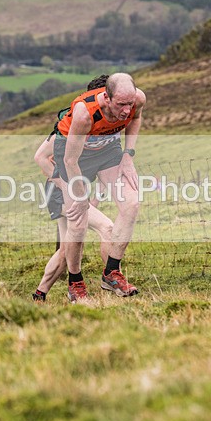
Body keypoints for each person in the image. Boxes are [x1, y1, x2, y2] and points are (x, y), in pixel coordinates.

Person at [54, 72, 146, 301]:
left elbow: (135, 119)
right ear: (106, 98)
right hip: (74, 156)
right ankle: (75, 283)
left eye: (130, 103)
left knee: (132, 203)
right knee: (78, 221)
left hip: (107, 151)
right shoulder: (85, 114)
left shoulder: (138, 100)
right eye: (121, 105)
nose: (127, 110)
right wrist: (81, 195)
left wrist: (128, 156)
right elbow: (69, 161)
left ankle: (111, 273)